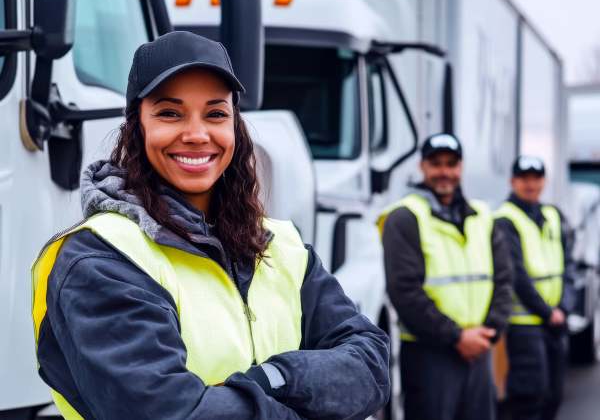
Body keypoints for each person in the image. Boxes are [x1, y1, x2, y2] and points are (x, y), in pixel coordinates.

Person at [31, 31, 390, 420]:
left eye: (216, 113)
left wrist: (274, 379)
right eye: (170, 113)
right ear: (137, 127)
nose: (197, 134)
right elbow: (167, 412)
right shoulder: (100, 258)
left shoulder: (279, 244)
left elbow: (370, 363)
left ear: (236, 126)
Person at [378, 133, 513, 420]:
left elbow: (503, 280)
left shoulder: (482, 216)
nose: (444, 172)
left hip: (479, 350)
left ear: (461, 167)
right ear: (422, 167)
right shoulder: (404, 218)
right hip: (430, 354)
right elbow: (404, 291)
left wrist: (487, 334)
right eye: (436, 164)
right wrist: (457, 337)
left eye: (451, 164)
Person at [495, 156, 575, 420]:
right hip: (525, 324)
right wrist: (547, 312)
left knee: (554, 396)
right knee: (528, 398)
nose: (530, 184)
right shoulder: (506, 219)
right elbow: (516, 274)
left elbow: (568, 266)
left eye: (536, 178)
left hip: (554, 321)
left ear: (544, 181)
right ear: (512, 181)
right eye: (524, 178)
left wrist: (563, 306)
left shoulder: (552, 215)